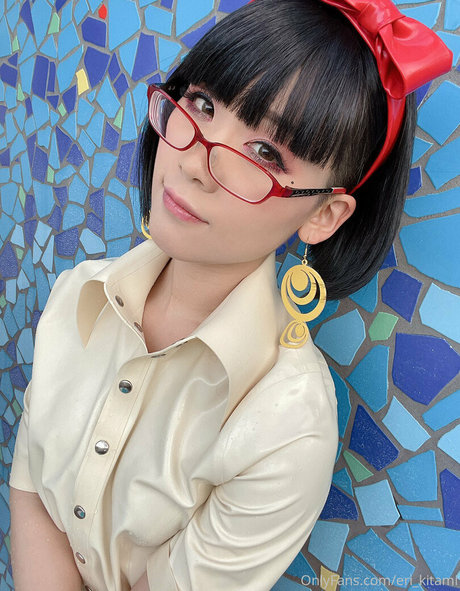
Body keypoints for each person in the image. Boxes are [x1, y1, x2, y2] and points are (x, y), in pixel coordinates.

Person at [9, 0, 452, 590]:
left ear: (323, 214)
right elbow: (33, 490)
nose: (195, 162)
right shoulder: (79, 294)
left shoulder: (285, 425)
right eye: (202, 104)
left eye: (264, 153)